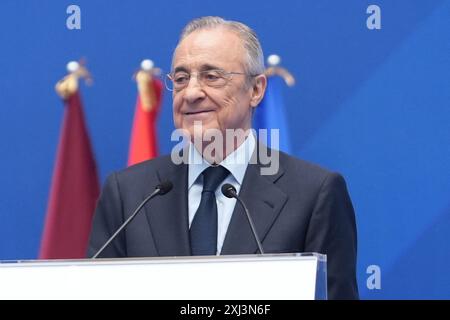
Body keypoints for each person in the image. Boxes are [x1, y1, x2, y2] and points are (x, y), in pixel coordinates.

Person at [87, 16, 358, 300]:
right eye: (180, 79)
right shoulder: (129, 193)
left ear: (256, 89)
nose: (191, 93)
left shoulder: (314, 194)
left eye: (211, 76)